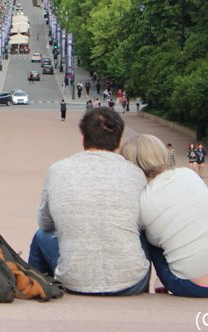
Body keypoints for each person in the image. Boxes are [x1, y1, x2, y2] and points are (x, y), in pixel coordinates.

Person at [27, 108, 150, 295]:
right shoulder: (135, 173)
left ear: (83, 138)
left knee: (40, 236)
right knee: (142, 233)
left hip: (73, 281)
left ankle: (35, 288)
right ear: (118, 141)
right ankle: (144, 294)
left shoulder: (57, 170)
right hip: (130, 283)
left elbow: (45, 223)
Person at [120, 135, 208, 297]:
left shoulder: (142, 201)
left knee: (143, 233)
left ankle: (145, 286)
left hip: (194, 286)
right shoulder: (188, 175)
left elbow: (154, 240)